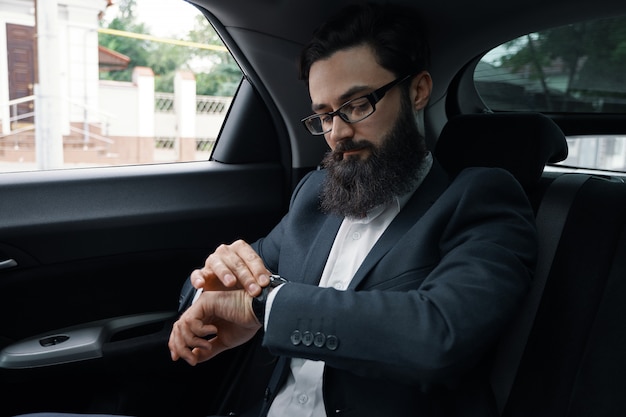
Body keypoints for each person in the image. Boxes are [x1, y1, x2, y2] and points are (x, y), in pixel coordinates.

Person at [18, 2, 537, 417]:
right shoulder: (316, 197)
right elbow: (227, 290)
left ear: (418, 90)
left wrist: (264, 306)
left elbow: (439, 334)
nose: (338, 133)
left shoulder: (479, 199)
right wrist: (202, 300)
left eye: (358, 105)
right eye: (324, 115)